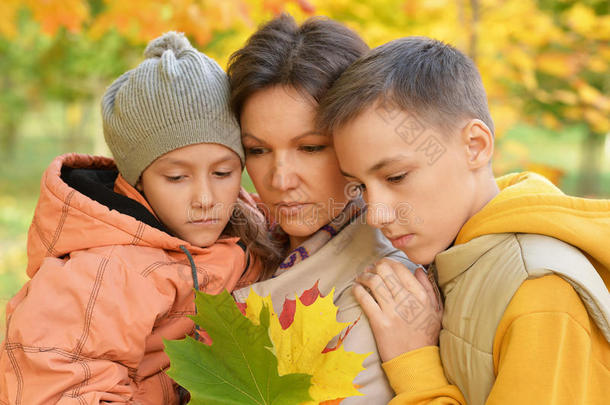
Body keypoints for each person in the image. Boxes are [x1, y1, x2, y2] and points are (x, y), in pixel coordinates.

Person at [317, 36, 610, 404]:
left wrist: (415, 367)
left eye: (395, 177)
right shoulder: (455, 250)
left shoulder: (540, 295)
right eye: (359, 186)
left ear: (475, 145)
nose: (376, 214)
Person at [0, 31, 280, 404]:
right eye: (177, 177)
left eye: (223, 173)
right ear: (138, 180)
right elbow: (55, 388)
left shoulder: (249, 225)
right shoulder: (103, 274)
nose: (205, 198)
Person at [227, 14, 417, 403]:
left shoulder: (379, 288)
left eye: (310, 147)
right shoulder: (236, 240)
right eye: (258, 150)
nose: (280, 179)